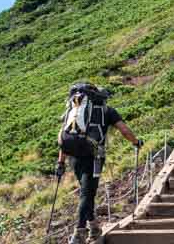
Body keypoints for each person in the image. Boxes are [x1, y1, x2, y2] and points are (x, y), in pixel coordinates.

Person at [56, 84, 142, 244]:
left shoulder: (73, 110)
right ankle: (79, 233)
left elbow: (66, 135)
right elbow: (124, 130)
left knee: (85, 192)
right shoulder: (107, 111)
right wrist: (136, 142)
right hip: (94, 157)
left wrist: (60, 162)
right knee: (87, 194)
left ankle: (94, 227)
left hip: (73, 156)